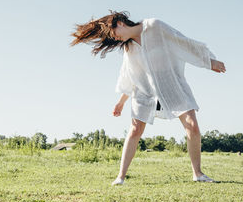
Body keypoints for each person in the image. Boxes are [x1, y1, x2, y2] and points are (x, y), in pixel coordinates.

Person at [70, 10, 226, 185]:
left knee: (192, 126)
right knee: (135, 130)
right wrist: (121, 102)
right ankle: (120, 177)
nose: (114, 38)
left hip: (171, 84)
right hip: (144, 91)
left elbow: (182, 42)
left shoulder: (154, 26)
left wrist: (209, 62)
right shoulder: (128, 47)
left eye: (113, 34)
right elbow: (129, 75)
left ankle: (197, 174)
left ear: (119, 23)